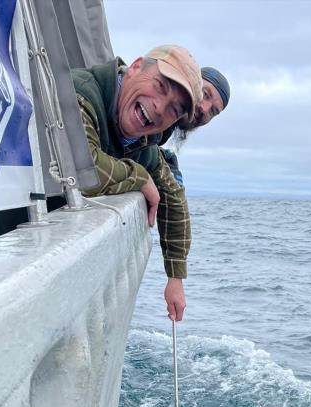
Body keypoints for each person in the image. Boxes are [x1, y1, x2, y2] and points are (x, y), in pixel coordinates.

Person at [72, 46, 202, 321]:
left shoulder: (143, 144)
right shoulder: (78, 92)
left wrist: (175, 277)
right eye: (160, 86)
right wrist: (139, 178)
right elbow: (81, 169)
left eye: (173, 109)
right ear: (135, 66)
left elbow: (173, 197)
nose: (159, 107)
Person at [146, 67, 231, 186]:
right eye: (204, 94)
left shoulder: (164, 132)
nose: (204, 109)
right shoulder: (150, 108)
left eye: (213, 111)